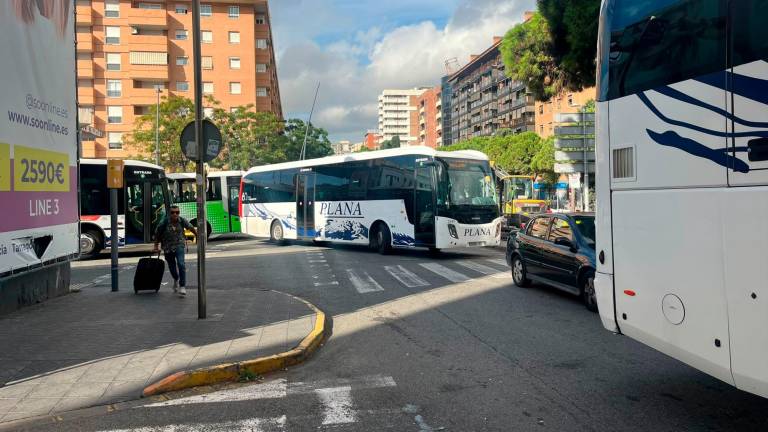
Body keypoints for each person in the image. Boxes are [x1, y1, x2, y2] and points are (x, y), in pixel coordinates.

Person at [153, 205, 197, 296]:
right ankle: (176, 278)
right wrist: (156, 246)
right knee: (172, 267)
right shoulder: (164, 222)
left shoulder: (182, 220)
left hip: (179, 245)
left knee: (181, 264)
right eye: (173, 212)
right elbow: (157, 234)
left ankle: (182, 286)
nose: (175, 214)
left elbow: (191, 227)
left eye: (177, 212)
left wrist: (197, 236)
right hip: (167, 247)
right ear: (169, 213)